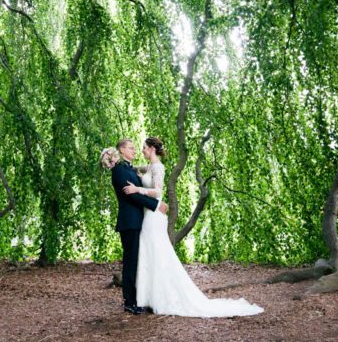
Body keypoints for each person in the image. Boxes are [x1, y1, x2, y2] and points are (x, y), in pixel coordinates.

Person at [123, 136, 263, 317]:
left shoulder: (158, 167)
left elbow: (158, 191)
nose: (141, 150)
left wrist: (137, 189)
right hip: (147, 214)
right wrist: (113, 161)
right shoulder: (149, 166)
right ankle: (148, 297)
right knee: (150, 252)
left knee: (156, 251)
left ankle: (161, 297)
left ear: (151, 149)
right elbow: (131, 168)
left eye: (143, 148)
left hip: (154, 215)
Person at [102, 139, 168, 315]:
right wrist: (155, 205)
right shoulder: (119, 170)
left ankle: (139, 298)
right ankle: (129, 302)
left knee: (138, 261)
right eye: (131, 148)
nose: (135, 151)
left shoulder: (130, 168)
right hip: (129, 221)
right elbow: (131, 196)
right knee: (130, 262)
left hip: (140, 220)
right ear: (121, 150)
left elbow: (148, 182)